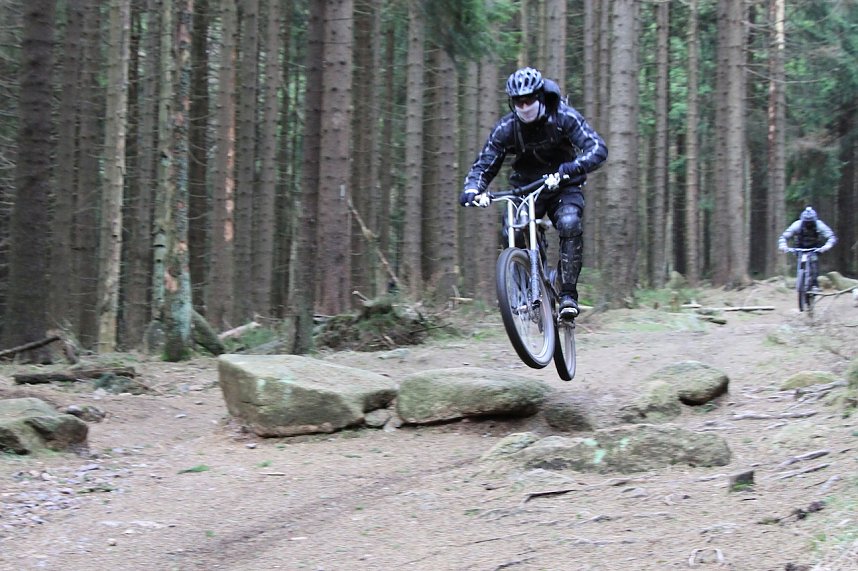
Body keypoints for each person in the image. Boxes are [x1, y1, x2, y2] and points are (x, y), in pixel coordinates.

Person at [459, 66, 608, 319]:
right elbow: (484, 163)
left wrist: (571, 168)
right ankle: (523, 291)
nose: (525, 106)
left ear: (540, 96)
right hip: (525, 186)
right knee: (511, 230)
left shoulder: (563, 116)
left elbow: (597, 148)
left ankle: (568, 294)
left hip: (564, 183)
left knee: (570, 223)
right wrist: (472, 188)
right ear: (512, 102)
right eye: (519, 101)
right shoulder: (507, 128)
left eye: (529, 100)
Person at [778, 206, 837, 290]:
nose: (808, 224)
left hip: (814, 248)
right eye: (806, 222)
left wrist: (827, 246)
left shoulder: (819, 225)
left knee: (814, 262)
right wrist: (783, 245)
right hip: (800, 248)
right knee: (800, 261)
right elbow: (784, 236)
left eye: (810, 222)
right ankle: (801, 280)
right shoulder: (797, 225)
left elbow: (831, 236)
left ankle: (814, 284)